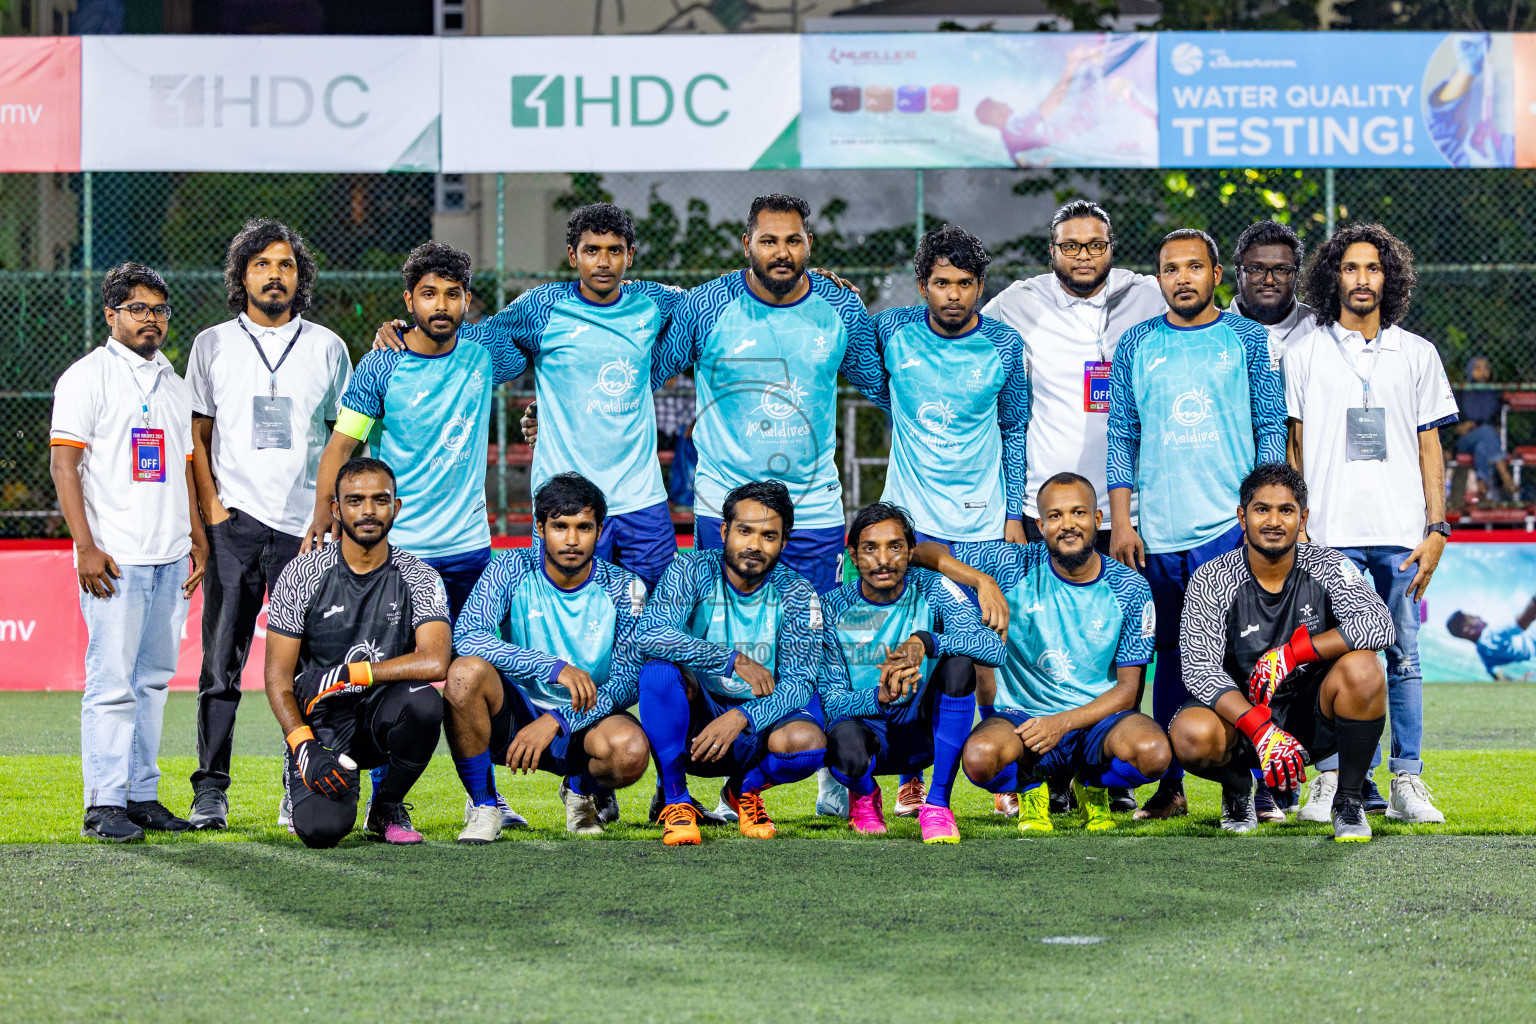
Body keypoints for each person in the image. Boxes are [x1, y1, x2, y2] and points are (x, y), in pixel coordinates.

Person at [384, 204, 684, 590]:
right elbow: (474, 337)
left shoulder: (656, 302)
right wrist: (404, 332)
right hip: (565, 501)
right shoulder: (541, 308)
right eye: (592, 250)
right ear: (573, 255)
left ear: (631, 255)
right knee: (563, 615)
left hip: (641, 499)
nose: (604, 261)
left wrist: (646, 379)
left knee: (654, 615)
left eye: (615, 250)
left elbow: (701, 320)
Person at [982, 199, 1164, 815]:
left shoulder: (1148, 295)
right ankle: (1031, 775)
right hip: (1046, 509)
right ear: (1051, 249)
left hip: (1130, 509)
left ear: (1111, 245)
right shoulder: (1016, 301)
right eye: (1069, 245)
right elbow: (953, 328)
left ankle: (1105, 771)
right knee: (1026, 635)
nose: (1082, 255)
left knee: (1119, 641)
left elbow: (1213, 310)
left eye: (1094, 244)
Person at [847, 225, 1027, 820]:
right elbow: (867, 374)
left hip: (982, 523)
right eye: (942, 283)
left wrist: (1011, 516)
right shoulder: (894, 329)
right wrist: (840, 295)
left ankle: (1001, 767)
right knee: (902, 644)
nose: (954, 295)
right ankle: (909, 775)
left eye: (966, 284)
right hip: (913, 521)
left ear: (981, 286)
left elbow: (1014, 429)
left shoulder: (1004, 344)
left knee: (985, 650)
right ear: (923, 284)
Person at [1106, 228, 1287, 820]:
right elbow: (1122, 438)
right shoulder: (1135, 343)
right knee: (1164, 659)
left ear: (1215, 274)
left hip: (1226, 532)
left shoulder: (1245, 338)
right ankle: (1170, 788)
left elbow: (1268, 430)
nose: (1181, 278)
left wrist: (1262, 517)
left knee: (1249, 660)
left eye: (1193, 267)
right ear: (1158, 278)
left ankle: (1263, 782)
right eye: (1169, 268)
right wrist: (1123, 523)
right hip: (1156, 536)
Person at [1288, 223, 1459, 824]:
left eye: (1374, 268)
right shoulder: (1304, 352)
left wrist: (1437, 529)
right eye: (1351, 267)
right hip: (1331, 534)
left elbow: (1430, 447)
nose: (1362, 279)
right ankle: (1334, 781)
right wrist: (1302, 526)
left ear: (1390, 278)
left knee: (1404, 657)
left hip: (1401, 534)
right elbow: (1296, 447)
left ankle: (1407, 780)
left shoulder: (1417, 353)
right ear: (1333, 275)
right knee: (1333, 660)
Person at [184, 219, 351, 830]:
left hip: (305, 529)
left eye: (285, 264)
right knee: (219, 665)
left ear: (300, 275)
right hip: (236, 524)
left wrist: (325, 511)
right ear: (242, 275)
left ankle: (298, 782)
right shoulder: (211, 344)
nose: (274, 274)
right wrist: (214, 512)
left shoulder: (329, 347)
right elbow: (196, 439)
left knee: (310, 667)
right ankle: (211, 790)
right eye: (261, 264)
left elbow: (345, 437)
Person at [653, 194, 887, 597]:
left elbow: (888, 390)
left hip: (813, 508)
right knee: (724, 635)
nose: (782, 252)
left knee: (816, 635)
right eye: (768, 241)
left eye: (793, 241)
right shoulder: (707, 307)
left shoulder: (840, 307)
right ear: (747, 245)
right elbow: (645, 378)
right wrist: (547, 412)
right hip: (726, 509)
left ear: (809, 244)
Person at [50, 263, 208, 842]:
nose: (152, 320)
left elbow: (186, 468)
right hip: (113, 557)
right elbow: (64, 465)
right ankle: (103, 803)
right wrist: (84, 546)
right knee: (112, 682)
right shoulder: (86, 377)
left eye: (160, 310)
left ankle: (141, 794)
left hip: (168, 556)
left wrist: (196, 537)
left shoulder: (173, 381)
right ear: (112, 314)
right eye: (139, 309)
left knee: (153, 682)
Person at [915, 473, 1169, 833]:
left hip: (1094, 724)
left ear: (1098, 520)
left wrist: (1062, 723)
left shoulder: (1129, 586)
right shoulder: (1010, 564)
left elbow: (1128, 692)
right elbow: (926, 550)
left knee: (1153, 751)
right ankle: (1030, 788)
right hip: (1024, 723)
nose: (1068, 525)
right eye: (1055, 516)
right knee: (980, 758)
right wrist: (982, 581)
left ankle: (1092, 785)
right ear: (1040, 524)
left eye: (1078, 513)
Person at [1170, 463, 1395, 842]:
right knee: (1190, 733)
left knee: (1367, 669)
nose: (1273, 521)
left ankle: (1349, 801)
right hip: (1241, 718)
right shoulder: (1211, 577)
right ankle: (1239, 789)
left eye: (1286, 510)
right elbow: (1199, 669)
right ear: (1243, 517)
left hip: (1311, 716)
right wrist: (1260, 730)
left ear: (1302, 517)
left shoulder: (1328, 564)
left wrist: (1294, 653)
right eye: (1262, 510)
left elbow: (1380, 623)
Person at [316, 242, 524, 614]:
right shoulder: (380, 365)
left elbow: (551, 350)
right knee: (400, 665)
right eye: (429, 294)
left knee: (469, 663)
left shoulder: (485, 349)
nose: (441, 306)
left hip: (468, 547)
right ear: (409, 300)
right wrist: (323, 515)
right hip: (401, 547)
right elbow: (340, 447)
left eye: (452, 295)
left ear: (467, 300)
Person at [444, 473, 651, 842]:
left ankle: (580, 791)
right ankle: (484, 804)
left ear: (600, 531)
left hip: (586, 715)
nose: (571, 539)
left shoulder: (626, 588)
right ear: (540, 527)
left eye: (583, 527)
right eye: (559, 526)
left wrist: (557, 719)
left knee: (630, 750)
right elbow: (468, 635)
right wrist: (551, 667)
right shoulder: (509, 568)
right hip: (516, 713)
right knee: (464, 673)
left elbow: (626, 680)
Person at [262, 457, 452, 848]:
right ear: (336, 509)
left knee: (425, 704)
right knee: (321, 830)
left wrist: (353, 674)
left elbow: (436, 660)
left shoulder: (418, 575)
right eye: (355, 500)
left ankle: (386, 806)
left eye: (380, 500)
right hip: (322, 723)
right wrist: (303, 744)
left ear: (396, 507)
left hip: (381, 713)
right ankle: (299, 769)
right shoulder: (302, 574)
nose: (368, 511)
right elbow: (278, 677)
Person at [635, 480, 827, 846]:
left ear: (783, 543)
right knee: (658, 671)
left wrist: (744, 716)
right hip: (696, 725)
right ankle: (676, 801)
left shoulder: (798, 592)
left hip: (758, 724)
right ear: (724, 531)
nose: (755, 545)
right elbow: (649, 634)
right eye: (744, 531)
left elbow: (800, 682)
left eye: (769, 536)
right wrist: (731, 660)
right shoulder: (691, 569)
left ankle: (744, 791)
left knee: (808, 743)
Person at [818, 503, 1005, 843]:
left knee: (960, 664)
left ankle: (937, 805)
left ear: (911, 551)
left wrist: (927, 641)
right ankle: (864, 795)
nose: (883, 560)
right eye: (870, 549)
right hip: (866, 735)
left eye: (895, 546)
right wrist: (879, 696)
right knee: (840, 739)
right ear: (853, 555)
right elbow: (831, 703)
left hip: (923, 733)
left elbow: (994, 649)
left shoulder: (932, 588)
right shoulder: (831, 607)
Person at [1228, 220, 1315, 372]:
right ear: (1238, 274)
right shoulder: (1213, 332)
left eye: (1281, 270)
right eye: (1256, 269)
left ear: (1296, 275)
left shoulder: (1320, 328)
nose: (1269, 280)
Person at [1453, 355, 1517, 498]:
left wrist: (1489, 428)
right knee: (1486, 432)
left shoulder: (1493, 394)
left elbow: (1496, 424)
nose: (1483, 371)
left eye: (1486, 368)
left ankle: (1482, 486)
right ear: (1470, 371)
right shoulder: (1461, 393)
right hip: (1464, 440)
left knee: (1482, 444)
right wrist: (1461, 427)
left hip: (1485, 440)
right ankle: (1504, 473)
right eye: (1478, 368)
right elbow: (1452, 427)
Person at [1447, 598, 1536, 680]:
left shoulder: (1483, 655)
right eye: (1472, 617)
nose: (1478, 616)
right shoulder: (1491, 634)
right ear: (1469, 630)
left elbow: (1499, 678)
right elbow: (1527, 616)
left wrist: (1520, 680)